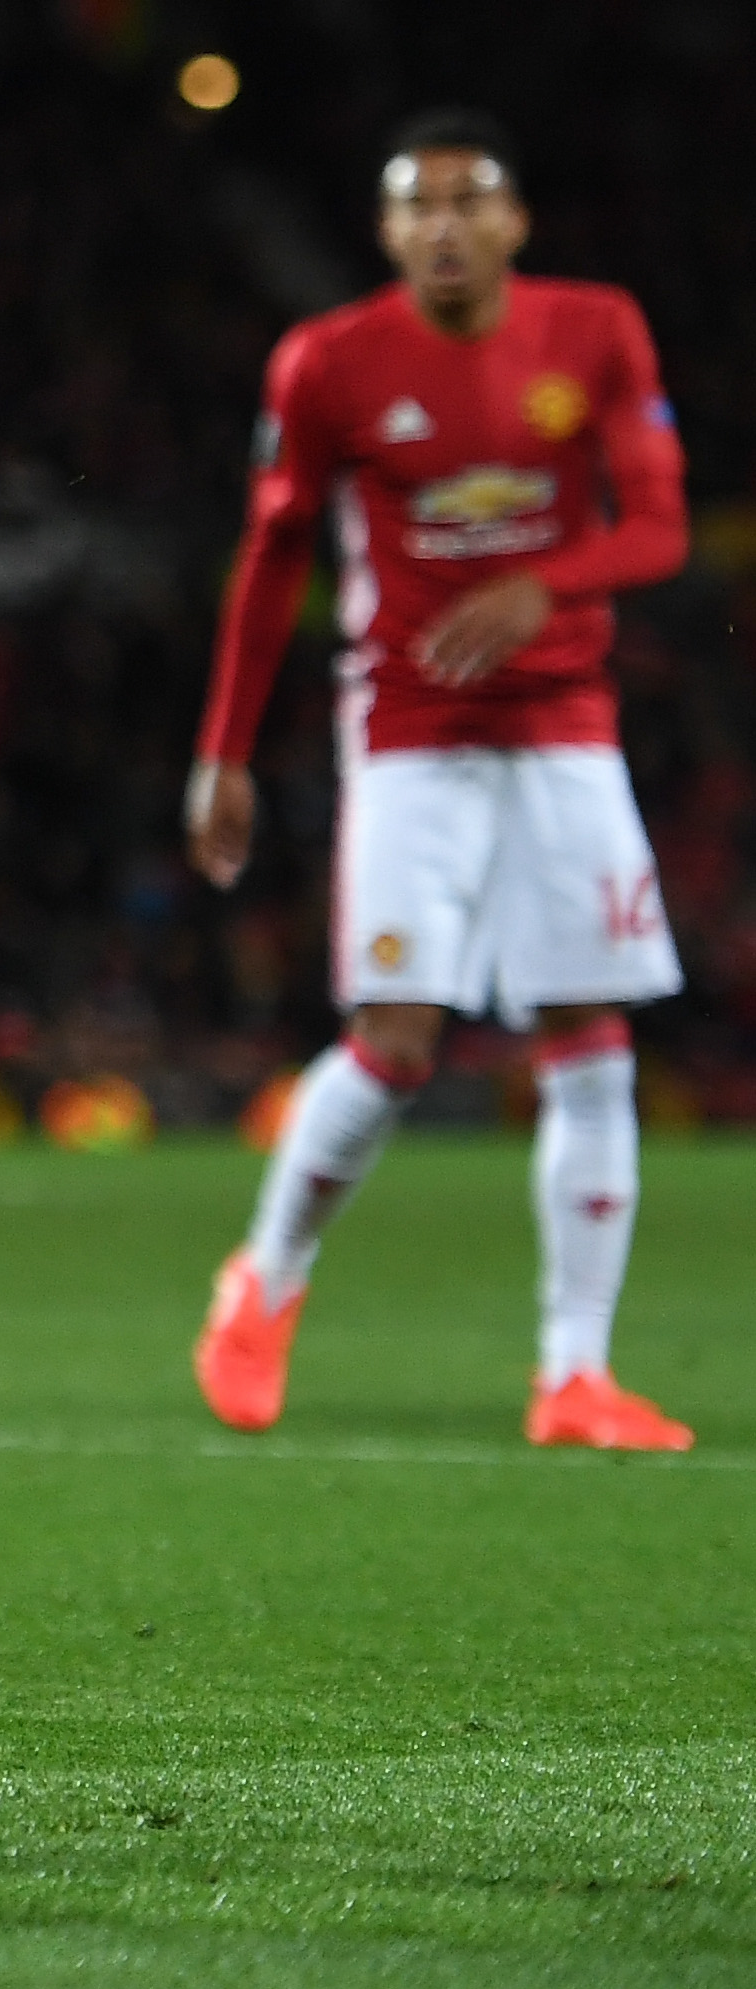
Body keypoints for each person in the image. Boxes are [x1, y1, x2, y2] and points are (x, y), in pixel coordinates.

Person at [184, 114, 693, 1452]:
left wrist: (543, 585)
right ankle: (263, 1280)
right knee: (398, 1040)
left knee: (589, 1041)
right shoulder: (330, 363)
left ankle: (571, 1375)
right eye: (418, 205)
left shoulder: (593, 333)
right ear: (387, 231)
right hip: (409, 730)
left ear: (516, 221)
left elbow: (656, 525)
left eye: (471, 200)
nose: (446, 224)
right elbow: (271, 556)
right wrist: (221, 751)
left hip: (563, 725)